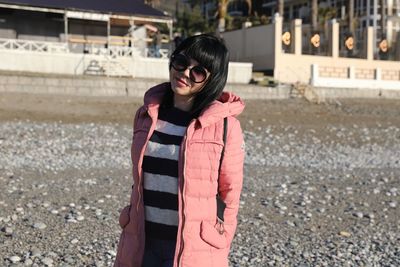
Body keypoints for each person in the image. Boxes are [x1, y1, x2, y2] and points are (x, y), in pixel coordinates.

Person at [114, 33, 245, 267]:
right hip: (143, 240)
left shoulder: (226, 127)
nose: (185, 73)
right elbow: (139, 178)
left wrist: (221, 240)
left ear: (212, 79)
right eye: (181, 62)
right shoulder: (146, 115)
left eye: (198, 71)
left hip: (194, 247)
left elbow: (230, 193)